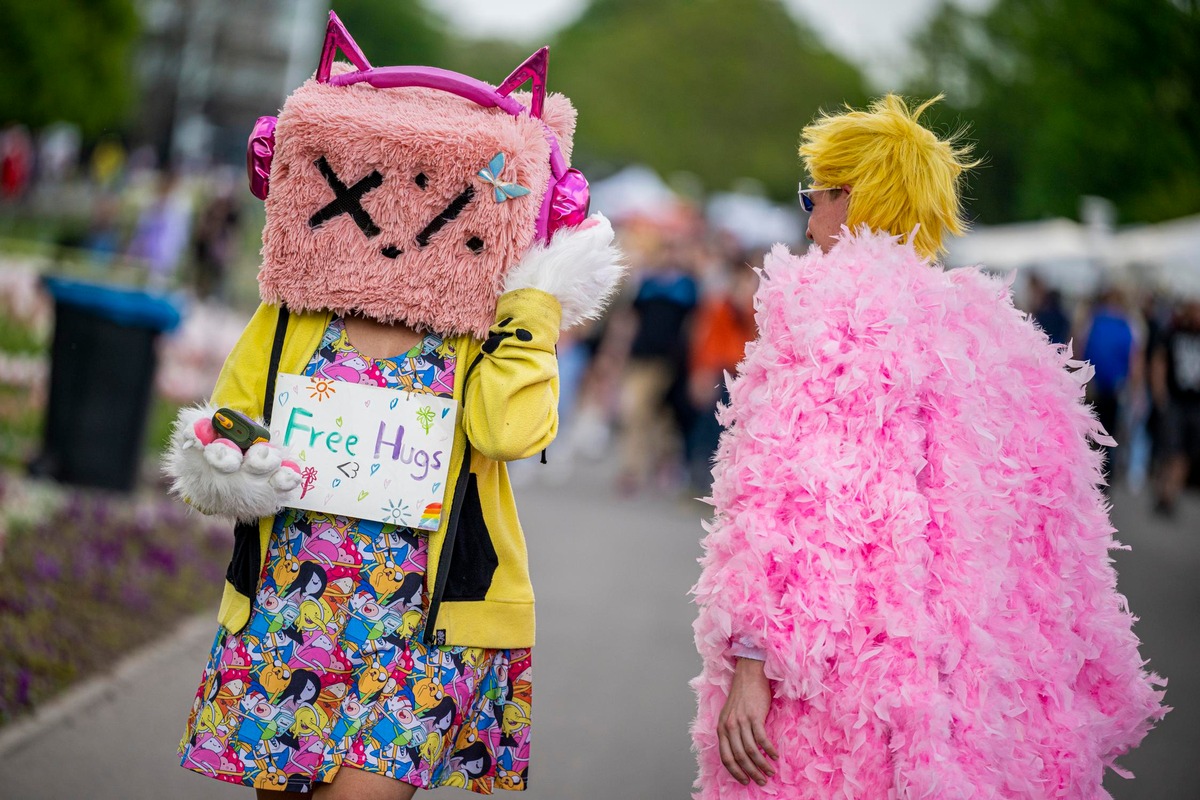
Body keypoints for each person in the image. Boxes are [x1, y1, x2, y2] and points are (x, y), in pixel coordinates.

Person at [165, 13, 622, 798]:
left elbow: (511, 431)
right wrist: (221, 457)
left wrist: (538, 296)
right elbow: (228, 427)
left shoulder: (483, 329)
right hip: (291, 604)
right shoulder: (293, 316)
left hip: (423, 625)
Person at [691, 95, 1164, 798]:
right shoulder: (1001, 340)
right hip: (967, 692)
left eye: (812, 194)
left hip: (839, 675)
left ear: (849, 197)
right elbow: (1059, 546)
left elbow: (791, 505)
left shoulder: (826, 307)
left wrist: (752, 666)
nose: (809, 216)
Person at [1150, 297, 1200, 515]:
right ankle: (1164, 491)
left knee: (1186, 453)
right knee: (1171, 450)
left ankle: (1171, 494)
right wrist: (1160, 394)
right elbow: (1159, 361)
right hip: (1175, 401)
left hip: (1195, 405)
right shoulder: (1173, 333)